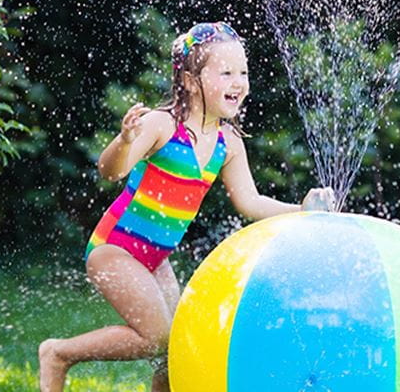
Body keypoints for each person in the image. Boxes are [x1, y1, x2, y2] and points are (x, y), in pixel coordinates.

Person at [38, 21, 335, 392]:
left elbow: (251, 202)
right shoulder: (162, 125)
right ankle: (59, 354)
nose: (238, 82)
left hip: (154, 259)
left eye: (242, 72)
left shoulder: (228, 143)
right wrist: (124, 140)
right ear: (192, 81)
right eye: (226, 72)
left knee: (172, 349)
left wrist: (303, 209)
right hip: (114, 249)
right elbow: (109, 170)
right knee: (155, 339)